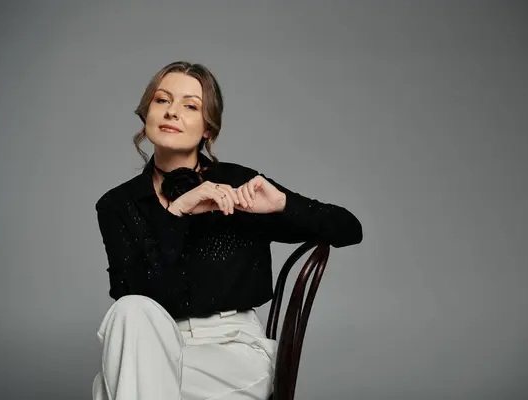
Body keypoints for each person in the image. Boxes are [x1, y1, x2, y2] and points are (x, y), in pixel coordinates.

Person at [91, 61, 363, 400]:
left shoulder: (238, 185)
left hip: (233, 352)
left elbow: (349, 228)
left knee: (109, 387)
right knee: (130, 310)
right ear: (147, 113)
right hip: (156, 341)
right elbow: (134, 292)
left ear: (208, 128)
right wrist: (178, 211)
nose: (172, 112)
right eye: (162, 100)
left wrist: (282, 203)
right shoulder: (118, 204)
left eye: (190, 106)